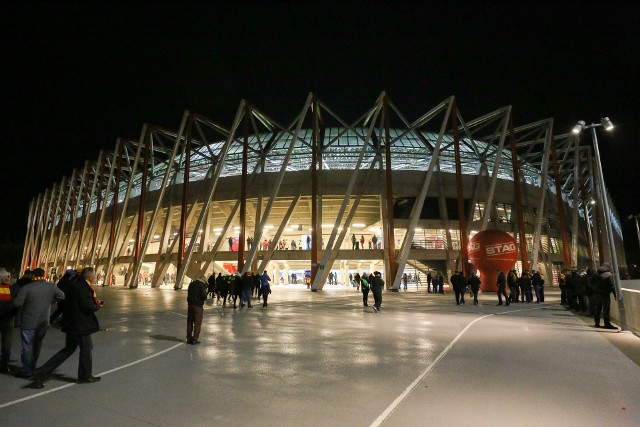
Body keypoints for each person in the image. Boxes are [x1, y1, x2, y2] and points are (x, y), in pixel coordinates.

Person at [32, 267, 103, 388]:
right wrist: (98, 306)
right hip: (81, 325)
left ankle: (43, 370)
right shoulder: (84, 288)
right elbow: (88, 306)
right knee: (86, 349)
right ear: (90, 277)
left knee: (69, 348)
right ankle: (85, 376)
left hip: (70, 322)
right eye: (94, 275)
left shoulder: (72, 285)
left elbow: (64, 302)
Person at [13, 268, 65, 378]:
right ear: (44, 275)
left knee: (27, 346)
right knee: (37, 345)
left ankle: (27, 370)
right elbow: (62, 296)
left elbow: (17, 303)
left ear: (32, 275)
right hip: (43, 322)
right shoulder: (51, 287)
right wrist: (51, 301)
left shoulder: (26, 288)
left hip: (29, 321)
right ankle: (33, 367)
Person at [0, 268, 19, 373]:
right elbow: (17, 303)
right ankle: (4, 363)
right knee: (7, 342)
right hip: (8, 318)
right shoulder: (14, 288)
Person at [591, 263, 617, 330]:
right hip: (605, 294)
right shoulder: (608, 275)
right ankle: (607, 324)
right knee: (606, 309)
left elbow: (591, 283)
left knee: (598, 308)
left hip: (596, 294)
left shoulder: (595, 274)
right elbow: (612, 286)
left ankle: (597, 323)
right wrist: (615, 295)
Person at [186, 276, 208, 344]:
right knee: (197, 323)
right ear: (204, 281)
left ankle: (189, 338)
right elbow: (204, 297)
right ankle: (195, 338)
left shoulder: (191, 284)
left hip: (190, 305)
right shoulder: (202, 286)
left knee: (190, 322)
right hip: (198, 306)